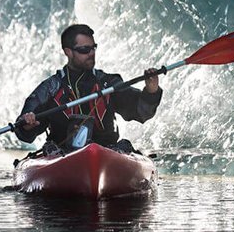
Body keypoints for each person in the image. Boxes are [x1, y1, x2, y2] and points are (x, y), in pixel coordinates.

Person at [14, 24, 163, 152]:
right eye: (85, 50)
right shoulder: (50, 88)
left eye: (93, 48)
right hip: (61, 154)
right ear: (68, 52)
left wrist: (151, 91)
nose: (91, 53)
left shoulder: (108, 83)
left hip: (105, 151)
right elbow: (24, 131)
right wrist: (27, 125)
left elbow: (141, 112)